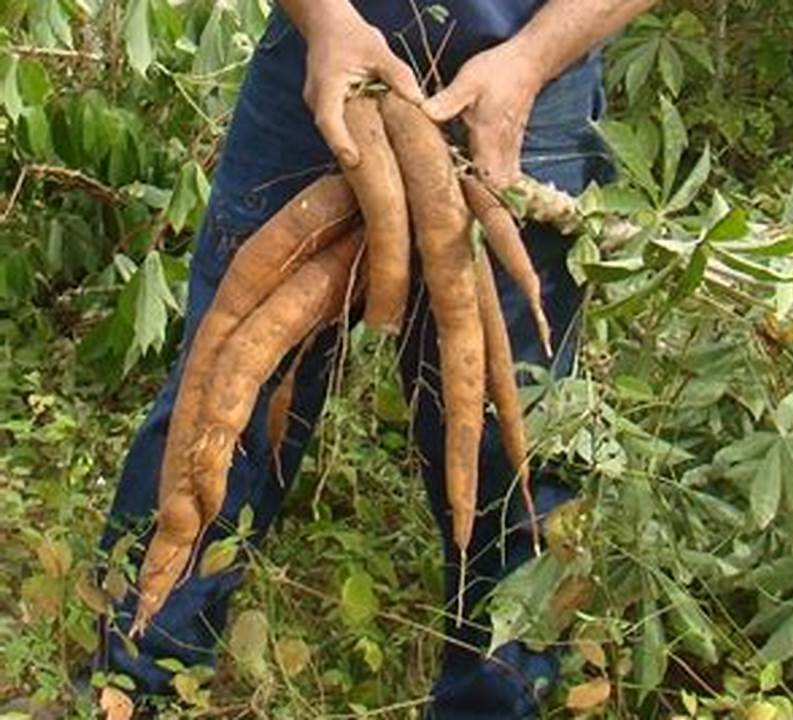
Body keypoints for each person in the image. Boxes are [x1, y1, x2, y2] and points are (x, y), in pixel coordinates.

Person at [91, 0, 654, 717]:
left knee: (513, 447)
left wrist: (532, 57)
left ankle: (497, 701)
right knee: (220, 395)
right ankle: (130, 692)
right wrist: (324, 19)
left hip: (529, 91)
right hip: (320, 65)